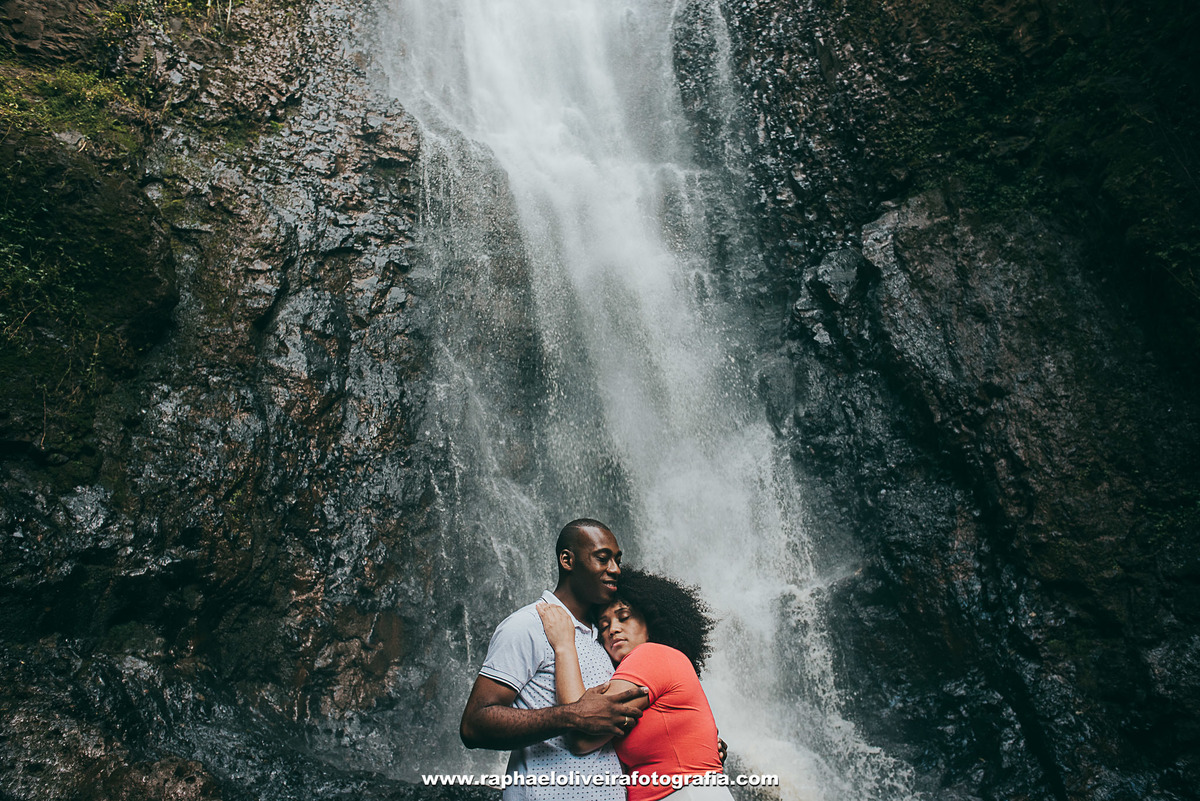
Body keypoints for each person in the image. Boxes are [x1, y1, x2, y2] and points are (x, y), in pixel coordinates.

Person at [460, 518, 647, 800]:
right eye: (602, 558)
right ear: (567, 560)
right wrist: (571, 716)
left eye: (618, 560)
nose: (615, 569)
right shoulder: (528, 625)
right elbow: (474, 724)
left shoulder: (606, 638)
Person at [537, 568, 735, 801]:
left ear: (650, 621)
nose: (613, 629)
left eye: (624, 616)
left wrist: (563, 644)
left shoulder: (650, 655)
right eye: (604, 625)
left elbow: (581, 736)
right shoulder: (649, 666)